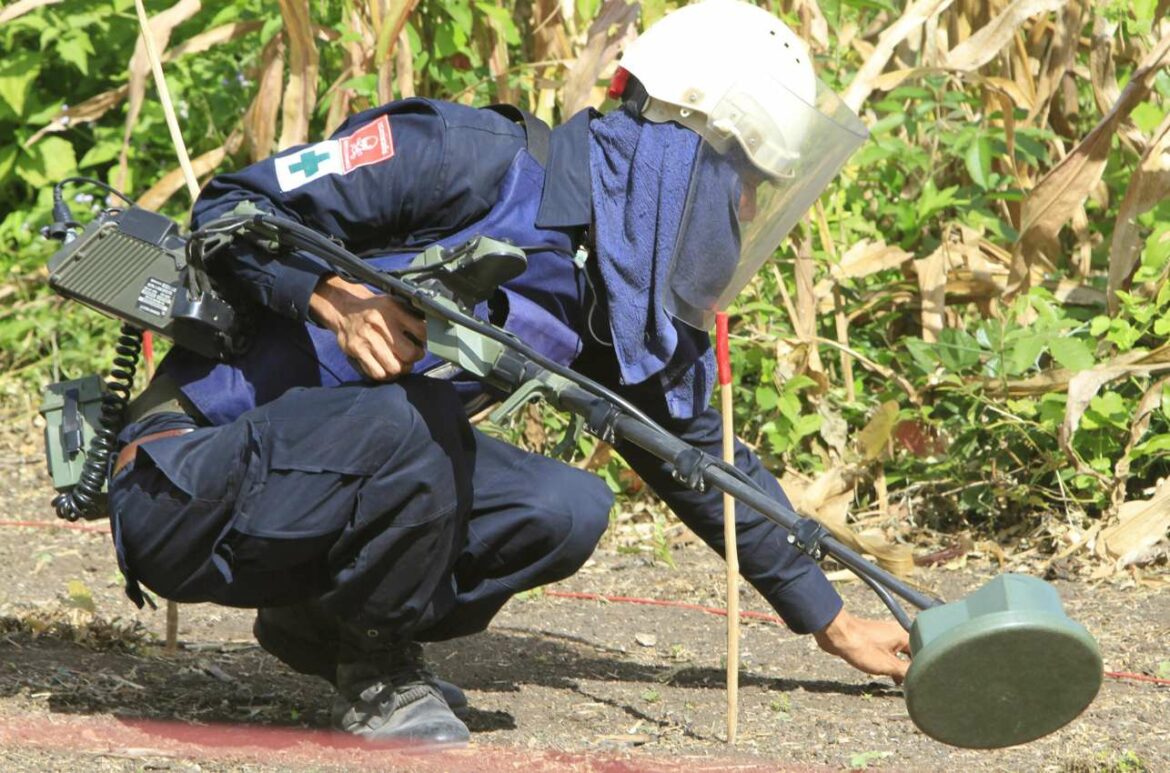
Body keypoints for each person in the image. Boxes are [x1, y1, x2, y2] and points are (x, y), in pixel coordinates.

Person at [108, 0, 909, 748]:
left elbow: (699, 459)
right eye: (740, 179)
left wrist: (831, 620)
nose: (741, 210)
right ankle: (377, 674)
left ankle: (318, 626)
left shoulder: (614, 287)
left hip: (321, 479)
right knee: (411, 419)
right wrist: (331, 296)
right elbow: (227, 209)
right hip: (185, 476)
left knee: (565, 507)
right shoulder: (465, 158)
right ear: (676, 146)